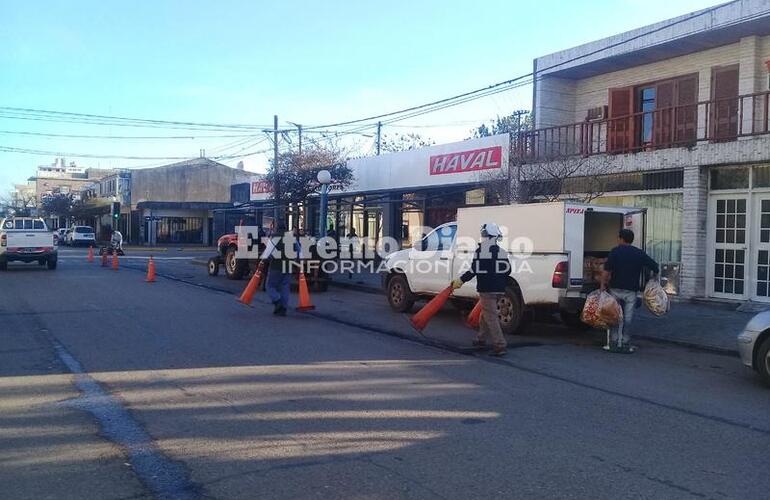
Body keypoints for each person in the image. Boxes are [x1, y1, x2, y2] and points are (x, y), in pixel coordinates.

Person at [451, 223, 511, 357]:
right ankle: (480, 339)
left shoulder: (482, 250)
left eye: (484, 234)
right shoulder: (501, 251)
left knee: (491, 317)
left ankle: (500, 345)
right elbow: (508, 270)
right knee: (486, 314)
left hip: (487, 289)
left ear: (486, 236)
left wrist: (461, 280)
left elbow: (474, 269)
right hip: (499, 289)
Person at [601, 228, 659, 354]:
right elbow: (654, 266)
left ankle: (614, 342)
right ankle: (626, 343)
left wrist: (602, 286)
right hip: (631, 291)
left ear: (621, 239)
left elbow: (607, 271)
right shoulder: (639, 253)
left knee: (614, 315)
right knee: (628, 318)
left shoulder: (615, 252)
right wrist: (653, 279)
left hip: (615, 289)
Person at [266, 222, 292, 316]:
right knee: (285, 287)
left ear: (277, 228)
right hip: (288, 266)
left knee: (270, 286)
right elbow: (298, 250)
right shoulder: (291, 237)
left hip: (276, 266)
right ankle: (283, 308)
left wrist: (266, 259)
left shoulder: (274, 237)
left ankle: (277, 301)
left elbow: (269, 252)